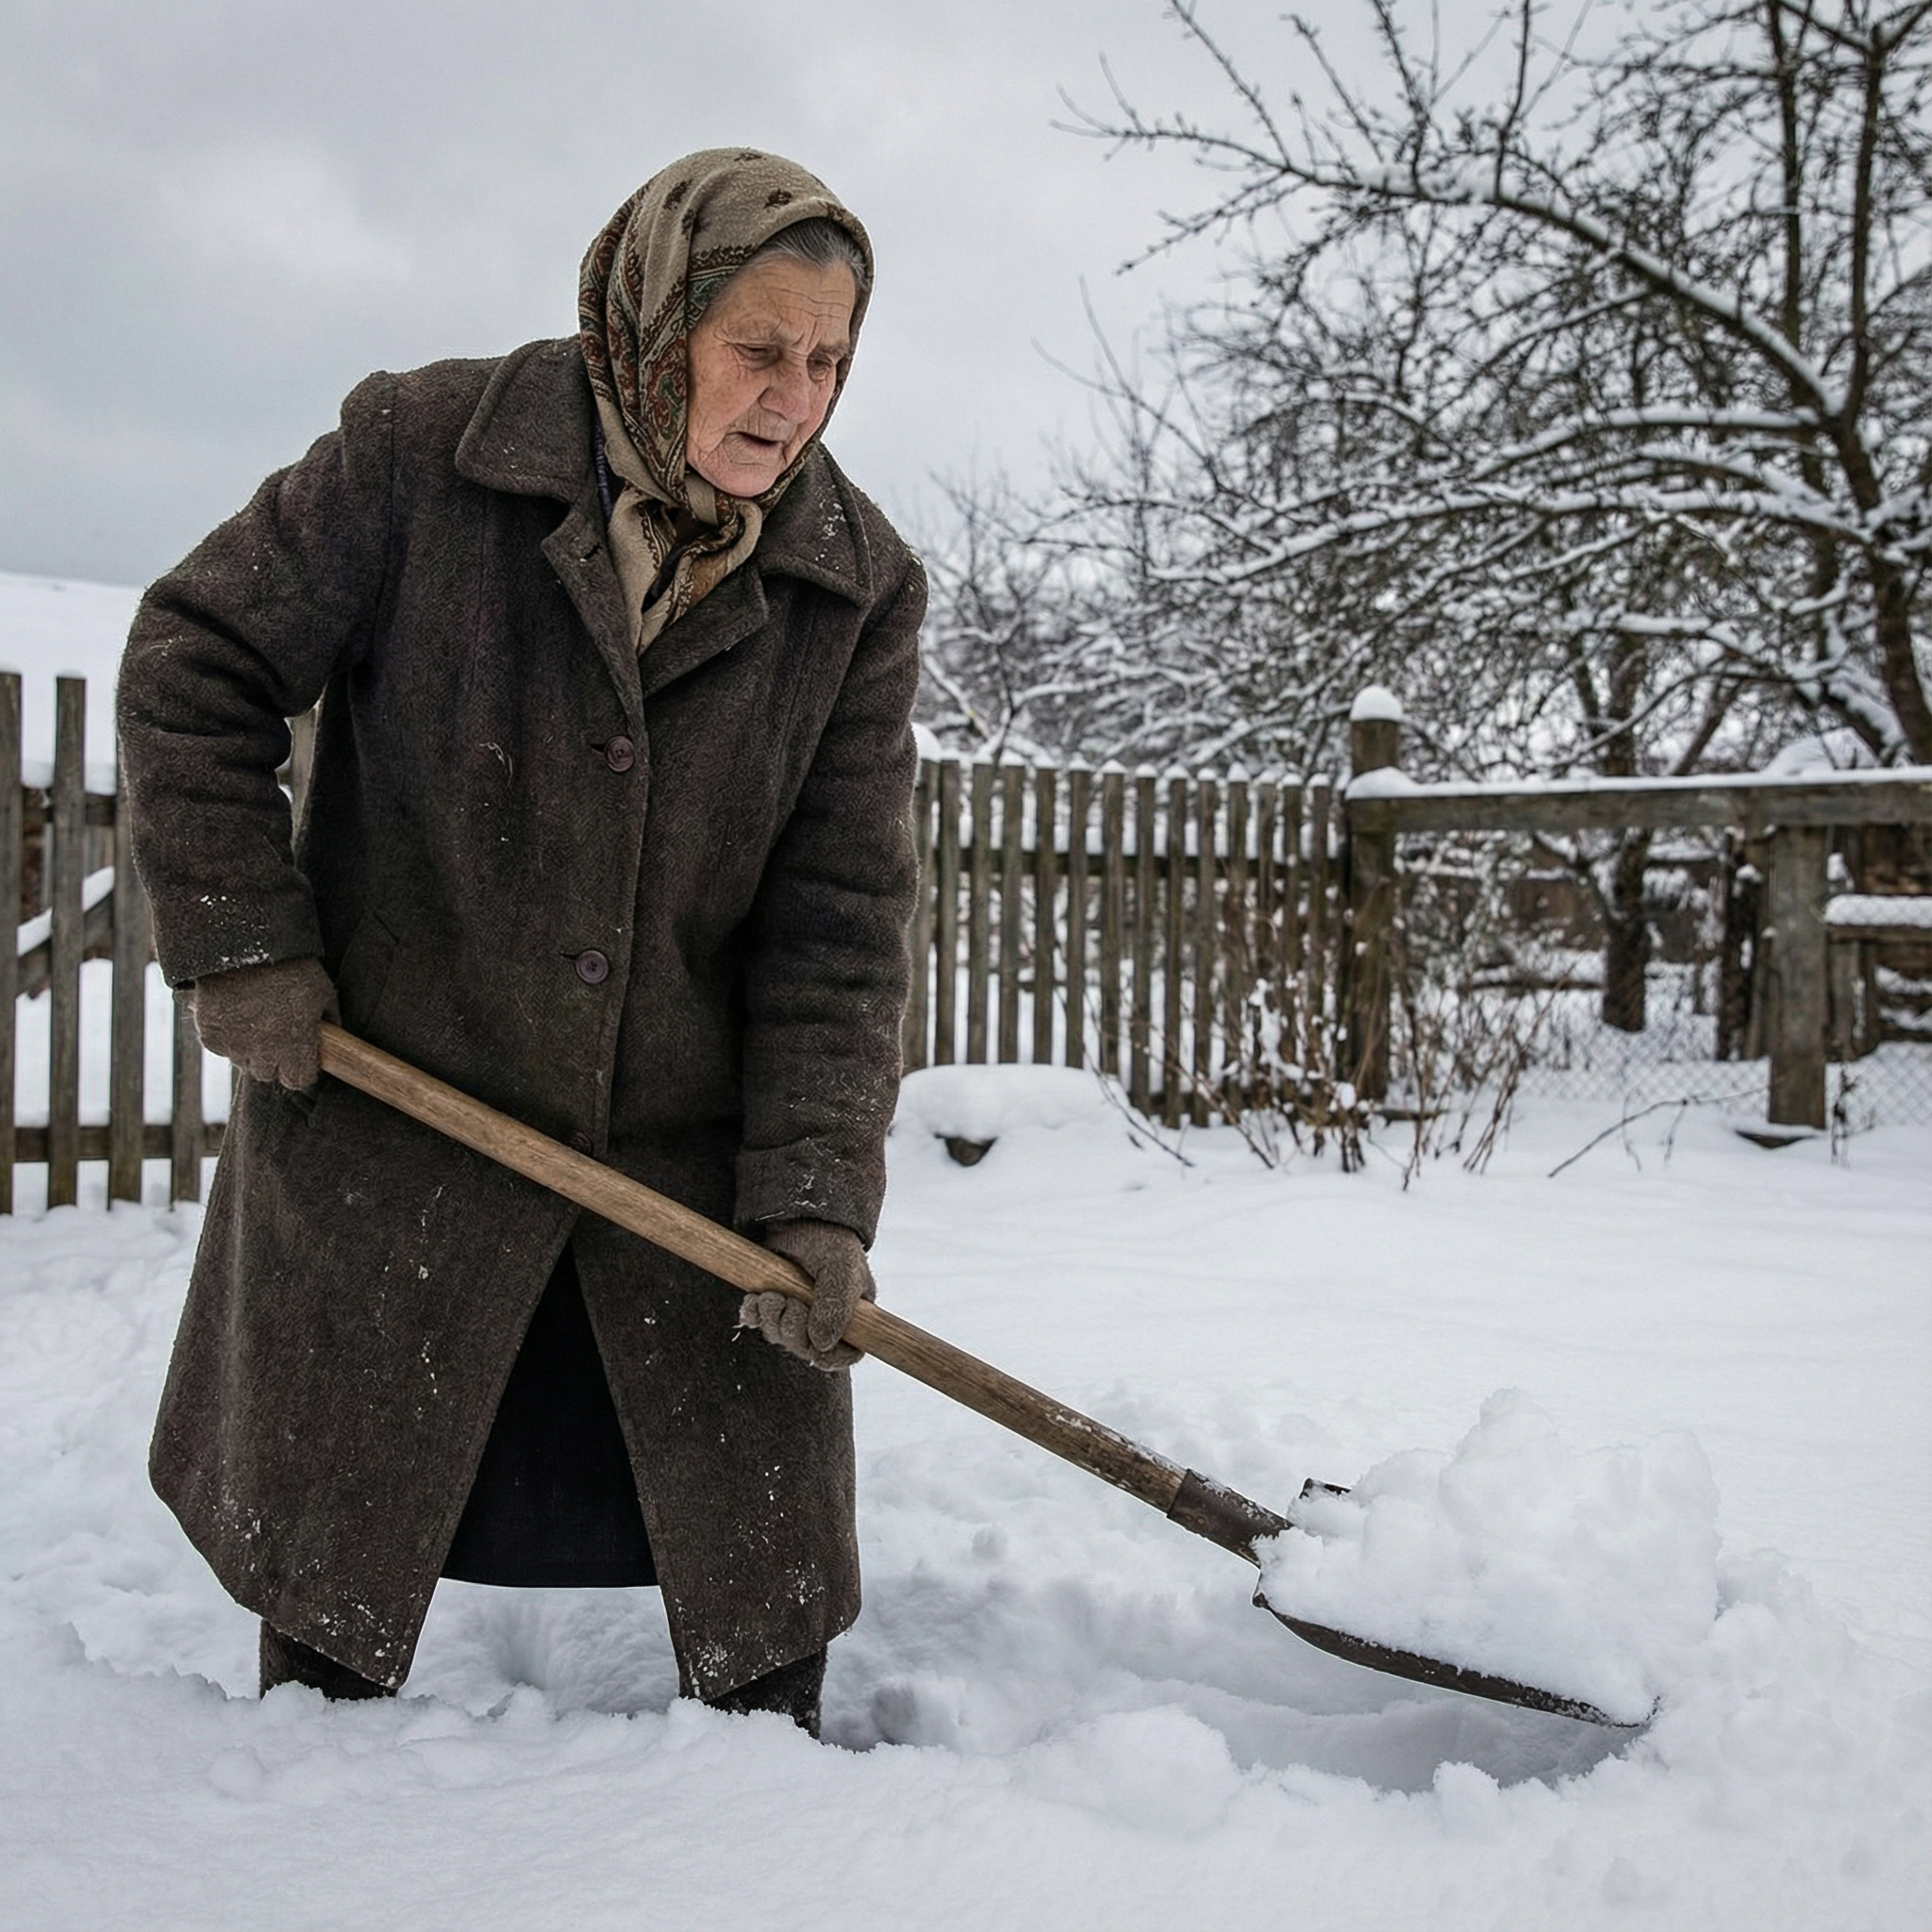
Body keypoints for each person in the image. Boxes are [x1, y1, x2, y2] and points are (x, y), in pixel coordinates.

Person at [116, 150, 924, 1736]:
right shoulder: (425, 457)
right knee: (335, 1609)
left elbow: (840, 926)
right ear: (661, 314)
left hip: (679, 1180)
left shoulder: (854, 585)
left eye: (828, 360)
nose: (794, 399)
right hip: (396, 1130)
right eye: (758, 349)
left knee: (758, 1624)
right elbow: (195, 657)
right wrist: (240, 941)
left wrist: (817, 1202)